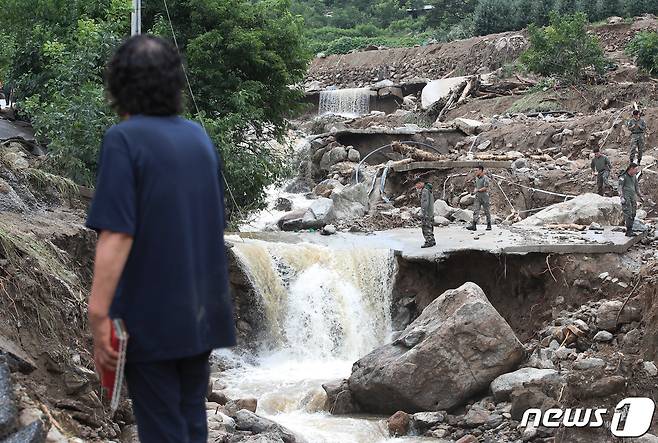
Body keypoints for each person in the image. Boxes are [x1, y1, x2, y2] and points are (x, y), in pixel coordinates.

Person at [86, 35, 236, 443]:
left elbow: (117, 233)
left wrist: (98, 314)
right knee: (191, 423)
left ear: (119, 84)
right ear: (174, 82)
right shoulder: (199, 139)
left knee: (163, 430)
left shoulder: (125, 139)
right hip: (200, 314)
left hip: (151, 317)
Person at [618, 163, 643, 237]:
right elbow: (619, 187)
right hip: (626, 197)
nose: (636, 171)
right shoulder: (624, 176)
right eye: (635, 169)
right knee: (628, 213)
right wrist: (621, 197)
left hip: (632, 197)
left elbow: (636, 186)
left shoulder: (634, 176)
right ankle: (628, 230)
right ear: (631, 169)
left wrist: (640, 195)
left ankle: (631, 229)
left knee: (633, 213)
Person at [467, 165, 492, 231]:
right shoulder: (477, 178)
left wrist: (477, 190)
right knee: (475, 210)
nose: (475, 172)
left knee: (486, 211)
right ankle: (474, 225)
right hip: (478, 196)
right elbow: (476, 186)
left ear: (481, 170)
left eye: (477, 170)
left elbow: (486, 187)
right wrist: (474, 191)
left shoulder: (485, 178)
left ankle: (489, 225)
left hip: (484, 197)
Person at [417, 181, 435, 248]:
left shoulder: (425, 190)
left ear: (421, 183)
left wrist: (423, 213)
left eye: (417, 184)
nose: (416, 186)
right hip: (431, 211)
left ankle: (429, 241)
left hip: (426, 212)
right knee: (430, 226)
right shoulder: (429, 189)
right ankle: (432, 240)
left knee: (425, 226)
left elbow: (425, 202)